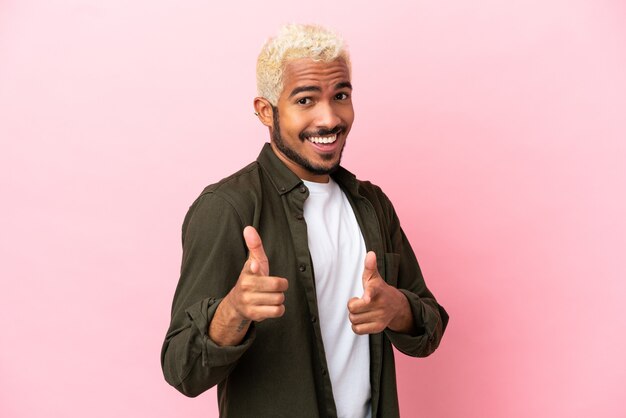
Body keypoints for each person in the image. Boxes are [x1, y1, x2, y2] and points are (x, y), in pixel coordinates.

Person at [161, 24, 448, 418]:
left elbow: (430, 328)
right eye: (306, 100)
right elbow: (182, 368)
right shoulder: (227, 207)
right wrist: (233, 312)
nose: (329, 118)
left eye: (341, 96)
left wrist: (397, 308)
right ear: (266, 110)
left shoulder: (372, 204)